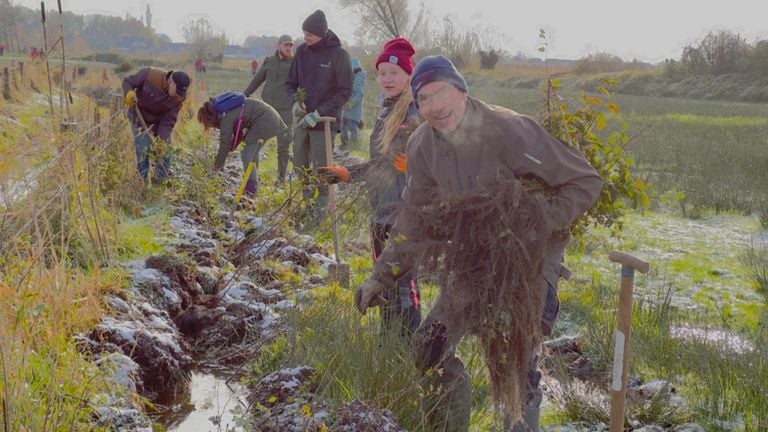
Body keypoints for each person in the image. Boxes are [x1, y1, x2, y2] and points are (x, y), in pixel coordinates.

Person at [352, 55, 603, 431]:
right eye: (423, 99)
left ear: (462, 92)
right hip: (473, 257)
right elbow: (415, 221)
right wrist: (380, 277)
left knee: (513, 360)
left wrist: (540, 223)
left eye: (441, 93)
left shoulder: (509, 130)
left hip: (529, 257)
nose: (434, 106)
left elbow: (584, 180)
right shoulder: (423, 145)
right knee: (429, 348)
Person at [317, 37, 421, 335]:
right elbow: (381, 163)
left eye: (394, 73)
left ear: (408, 75)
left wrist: (415, 166)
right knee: (382, 280)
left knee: (404, 285)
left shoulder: (414, 115)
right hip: (380, 209)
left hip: (403, 213)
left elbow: (432, 162)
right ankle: (389, 341)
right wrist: (346, 173)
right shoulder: (385, 111)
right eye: (382, 73)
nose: (387, 79)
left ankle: (412, 345)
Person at [285, 9, 353, 223]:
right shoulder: (302, 53)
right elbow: (289, 84)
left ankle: (320, 212)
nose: (306, 38)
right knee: (300, 164)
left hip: (324, 122)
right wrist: (296, 103)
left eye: (310, 34)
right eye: (304, 33)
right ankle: (306, 204)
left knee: (321, 168)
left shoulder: (339, 55)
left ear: (322, 34)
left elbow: (345, 91)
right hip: (302, 121)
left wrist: (320, 112)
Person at [197, 97, 286, 197]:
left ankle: (251, 190)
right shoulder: (226, 112)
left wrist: (216, 168)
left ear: (210, 118)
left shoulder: (226, 118)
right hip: (270, 118)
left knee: (246, 155)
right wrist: (232, 147)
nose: (211, 127)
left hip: (266, 121)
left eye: (208, 124)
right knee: (252, 152)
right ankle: (254, 182)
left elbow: (224, 145)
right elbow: (238, 132)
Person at [122, 67, 191, 181]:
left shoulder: (179, 97)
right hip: (139, 118)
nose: (179, 94)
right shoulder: (150, 74)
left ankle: (160, 182)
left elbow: (168, 120)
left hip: (158, 123)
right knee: (143, 149)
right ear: (171, 82)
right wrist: (128, 93)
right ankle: (142, 181)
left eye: (181, 92)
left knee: (165, 151)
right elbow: (128, 82)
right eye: (177, 90)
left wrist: (161, 142)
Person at [244, 34, 295, 184]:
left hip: (285, 110)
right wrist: (244, 95)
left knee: (283, 147)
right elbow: (257, 80)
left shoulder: (295, 64)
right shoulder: (269, 62)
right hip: (267, 110)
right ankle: (253, 179)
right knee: (255, 143)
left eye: (291, 45)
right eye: (286, 45)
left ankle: (280, 180)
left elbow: (302, 83)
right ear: (279, 46)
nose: (288, 48)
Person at [338, 57, 365, 152]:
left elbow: (359, 94)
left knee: (352, 127)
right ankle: (344, 144)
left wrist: (351, 103)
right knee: (343, 125)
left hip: (353, 109)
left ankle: (354, 146)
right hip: (346, 107)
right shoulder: (353, 78)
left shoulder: (358, 79)